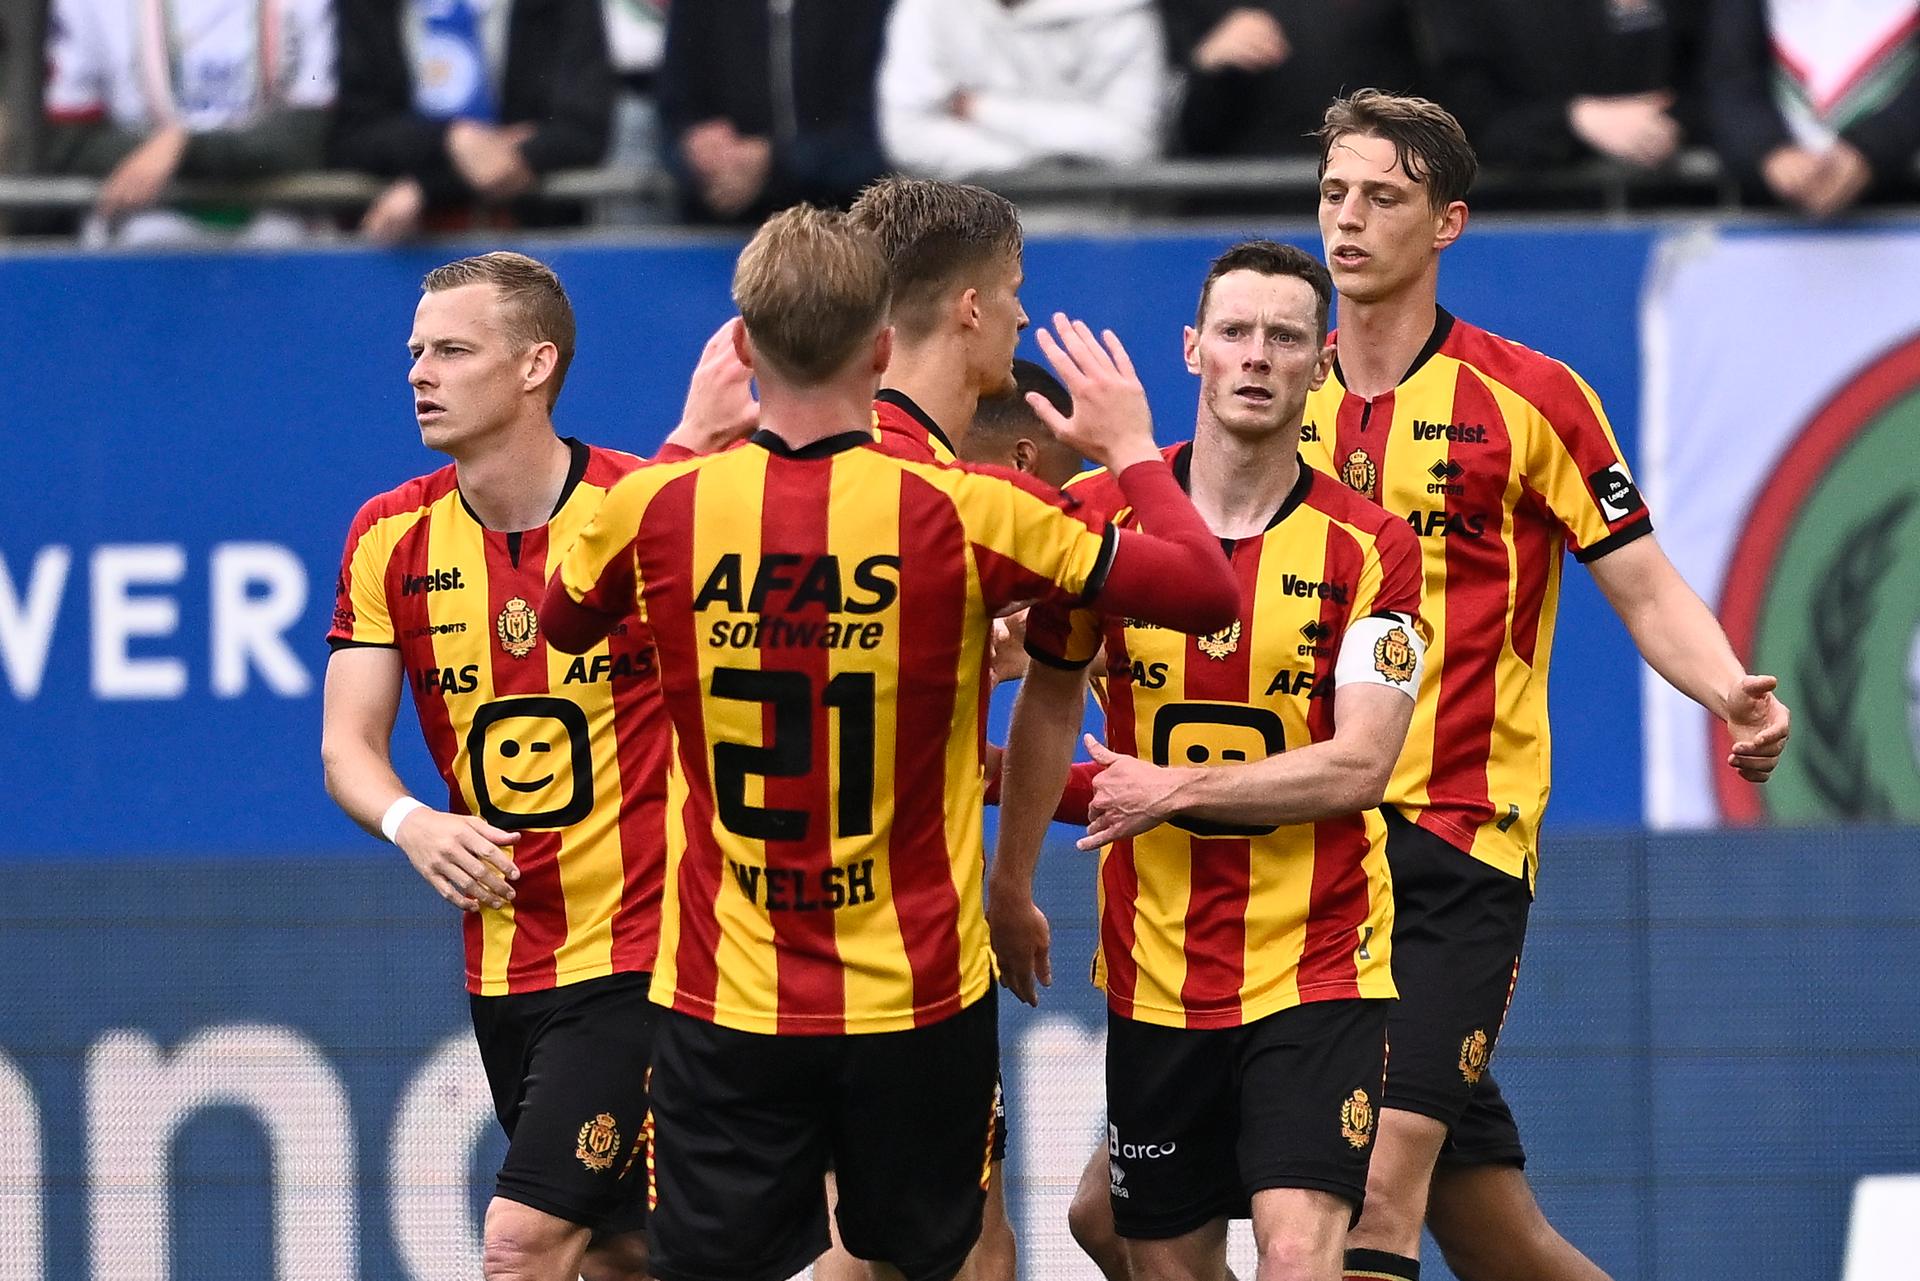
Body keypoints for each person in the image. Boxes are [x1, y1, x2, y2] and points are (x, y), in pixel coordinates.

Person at [539, 204, 1240, 1281]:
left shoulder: (656, 506)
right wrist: (1138, 452)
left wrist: (686, 434)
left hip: (727, 994)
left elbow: (562, 617)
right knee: (941, 1264)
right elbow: (1200, 589)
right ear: (879, 353)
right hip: (912, 997)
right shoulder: (967, 511)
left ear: (741, 349)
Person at [1301, 90, 1790, 1281]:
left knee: (1372, 1192)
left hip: (1458, 844)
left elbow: (1645, 587)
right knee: (1496, 1234)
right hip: (1304, 842)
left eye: (1384, 197)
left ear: (1449, 223)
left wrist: (1729, 688)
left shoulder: (1531, 398)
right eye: (1333, 194)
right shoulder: (1277, 396)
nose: (1348, 221)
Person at [992, 240, 1427, 1281]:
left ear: (1322, 362)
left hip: (1319, 963)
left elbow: (1362, 764)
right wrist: (1009, 883)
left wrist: (1174, 787)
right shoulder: (1099, 518)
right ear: (1192, 349)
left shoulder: (1372, 548)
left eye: (1284, 337)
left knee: (1296, 1250)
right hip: (1158, 974)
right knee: (1150, 1256)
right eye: (1234, 331)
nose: (1256, 356)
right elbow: (1052, 697)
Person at [321, 252, 665, 1281]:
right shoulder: (389, 533)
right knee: (620, 1254)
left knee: (522, 1243)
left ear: (534, 366)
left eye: (453, 350)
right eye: (416, 351)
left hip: (647, 949)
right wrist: (411, 823)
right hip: (507, 960)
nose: (420, 372)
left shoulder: (644, 507)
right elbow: (347, 747)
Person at [40, 0, 335, 247]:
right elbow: (70, 142)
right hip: (140, 229)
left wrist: (187, 147)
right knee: (149, 236)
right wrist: (158, 150)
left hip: (278, 226)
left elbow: (311, 135)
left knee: (279, 237)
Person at [329, 0, 615, 242]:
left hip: (537, 245)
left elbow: (581, 131)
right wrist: (452, 141)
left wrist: (429, 187)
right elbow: (352, 139)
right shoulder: (365, 7)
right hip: (399, 249)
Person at [847, 174, 1033, 466]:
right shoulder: (947, 491)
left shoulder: (841, 462)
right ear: (973, 309)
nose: (1023, 318)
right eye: (1013, 292)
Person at [876, 0, 1168, 180]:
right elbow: (908, 135)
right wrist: (1051, 165)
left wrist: (982, 109)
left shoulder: (1122, 12)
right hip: (958, 231)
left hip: (1094, 226)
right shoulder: (925, 7)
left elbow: (1131, 142)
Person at [657, 0, 890, 222]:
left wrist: (774, 162)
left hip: (844, 228)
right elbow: (674, 116)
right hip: (715, 229)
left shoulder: (867, 8)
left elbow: (880, 137)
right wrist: (697, 150)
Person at [1704, 0, 1920, 217]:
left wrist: (1871, 148)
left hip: (1900, 194)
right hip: (1768, 211)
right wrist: (1770, 150)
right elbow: (1729, 77)